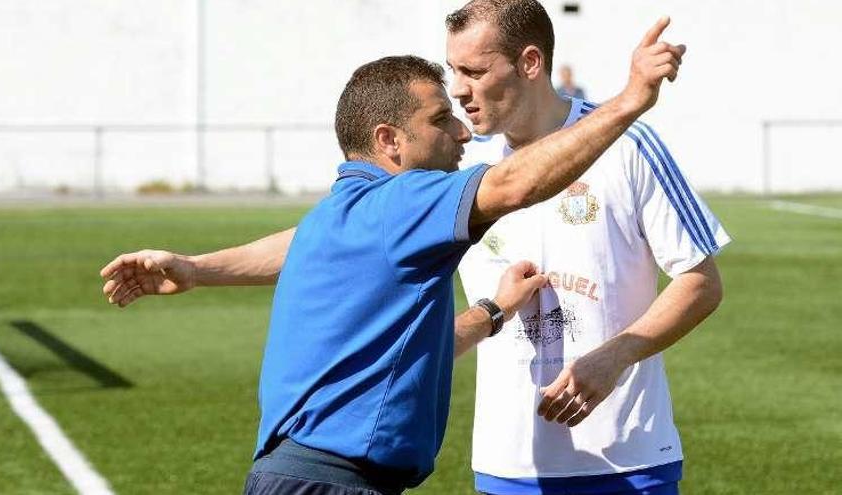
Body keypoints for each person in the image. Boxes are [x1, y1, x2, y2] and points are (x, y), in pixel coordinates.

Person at [101, 21, 684, 494]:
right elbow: (511, 188)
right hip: (339, 483)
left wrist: (197, 268)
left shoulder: (341, 214)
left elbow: (295, 249)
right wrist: (630, 100)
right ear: (389, 141)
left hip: (289, 473)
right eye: (439, 120)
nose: (460, 129)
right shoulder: (406, 203)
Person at [445, 1, 729, 494]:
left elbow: (700, 282)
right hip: (509, 467)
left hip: (628, 463)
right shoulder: (460, 171)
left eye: (474, 70)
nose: (458, 88)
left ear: (530, 63)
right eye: (453, 70)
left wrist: (616, 356)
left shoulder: (628, 146)